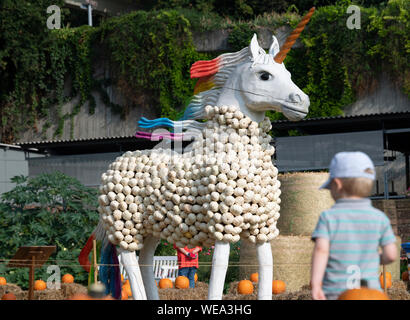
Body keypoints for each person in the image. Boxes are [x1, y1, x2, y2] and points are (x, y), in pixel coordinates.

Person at [310, 151, 397, 300]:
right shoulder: (379, 218)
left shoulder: (328, 218)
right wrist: (374, 258)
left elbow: (321, 250)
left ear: (337, 184)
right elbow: (391, 255)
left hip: (336, 293)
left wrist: (315, 284)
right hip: (371, 294)